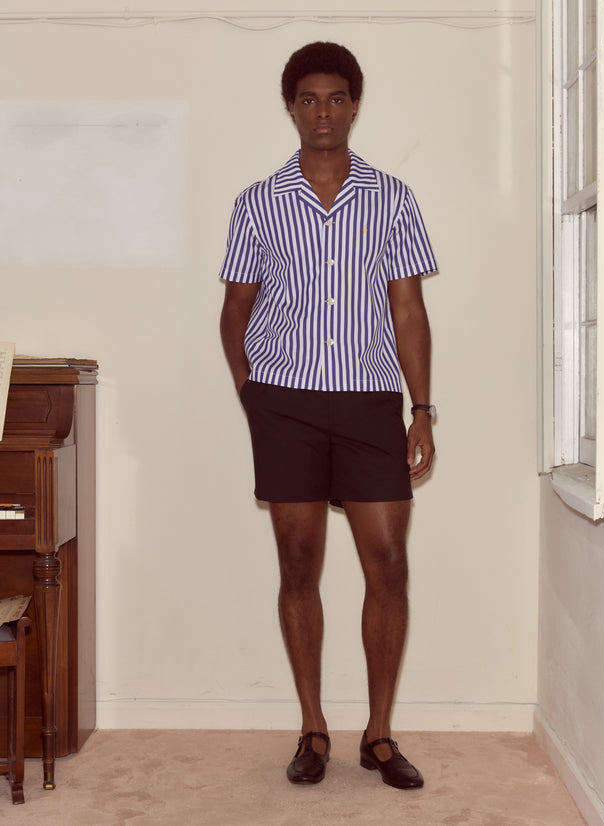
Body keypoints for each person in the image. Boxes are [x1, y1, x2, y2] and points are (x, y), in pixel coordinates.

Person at [219, 41, 437, 789]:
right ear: (290, 106)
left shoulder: (393, 197)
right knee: (299, 565)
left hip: (370, 402)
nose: (322, 111)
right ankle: (313, 728)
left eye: (336, 98)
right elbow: (235, 312)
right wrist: (253, 394)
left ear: (354, 105)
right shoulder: (257, 201)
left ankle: (379, 735)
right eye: (308, 98)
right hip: (285, 406)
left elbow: (408, 310)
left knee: (390, 565)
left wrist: (423, 408)